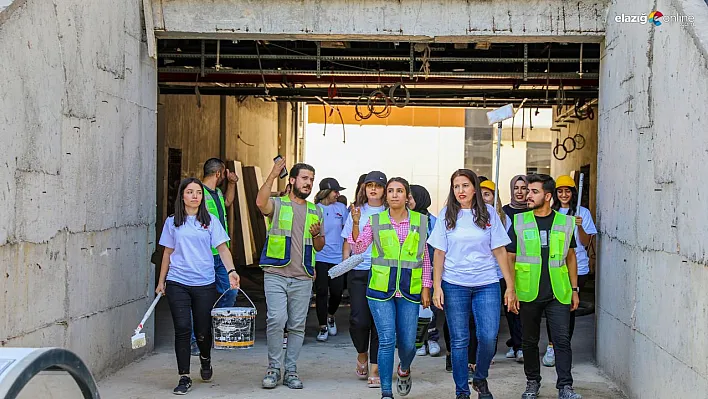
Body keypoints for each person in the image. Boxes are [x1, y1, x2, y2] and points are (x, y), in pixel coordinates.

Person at [430, 169, 518, 399]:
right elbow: (438, 253)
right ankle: (461, 391)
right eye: (456, 186)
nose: (461, 190)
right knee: (459, 340)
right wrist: (437, 286)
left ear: (474, 188)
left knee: (488, 336)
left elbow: (500, 250)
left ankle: (480, 377)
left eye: (465, 185)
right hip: (454, 283)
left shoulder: (488, 213)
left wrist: (510, 286)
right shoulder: (446, 215)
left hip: (486, 282)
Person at [349, 177, 432, 399]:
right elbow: (358, 248)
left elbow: (424, 258)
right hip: (380, 290)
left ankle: (404, 368)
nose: (395, 194)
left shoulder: (420, 221)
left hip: (409, 290)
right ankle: (386, 392)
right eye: (391, 191)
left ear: (407, 197)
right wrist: (356, 222)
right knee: (386, 340)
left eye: (400, 191)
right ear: (386, 196)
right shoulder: (375, 221)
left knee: (408, 344)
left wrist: (426, 287)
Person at [156, 177, 241, 395]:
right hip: (177, 282)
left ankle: (205, 359)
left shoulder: (210, 221)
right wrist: (161, 281)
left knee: (202, 330)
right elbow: (167, 252)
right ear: (182, 196)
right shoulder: (172, 222)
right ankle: (184, 376)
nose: (195, 196)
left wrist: (232, 272)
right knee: (183, 328)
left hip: (204, 283)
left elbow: (222, 249)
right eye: (190, 192)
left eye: (198, 193)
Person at [506, 174, 581, 399]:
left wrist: (575, 289)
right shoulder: (520, 221)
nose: (528, 195)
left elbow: (570, 258)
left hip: (559, 291)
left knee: (561, 341)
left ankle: (565, 387)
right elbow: (509, 257)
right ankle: (532, 383)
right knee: (529, 342)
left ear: (547, 196)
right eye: (528, 191)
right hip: (528, 291)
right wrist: (511, 290)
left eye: (534, 192)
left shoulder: (565, 222)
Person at [255, 159, 325, 390]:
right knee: (276, 320)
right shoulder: (278, 204)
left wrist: (316, 236)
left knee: (297, 325)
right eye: (304, 178)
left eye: (311, 180)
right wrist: (273, 173)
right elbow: (260, 202)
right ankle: (274, 368)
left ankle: (291, 370)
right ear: (292, 180)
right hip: (276, 273)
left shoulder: (316, 210)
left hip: (303, 276)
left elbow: (320, 246)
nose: (308, 183)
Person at [540, 175, 598, 367]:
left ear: (573, 192)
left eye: (567, 191)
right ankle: (551, 345)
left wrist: (578, 226)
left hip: (578, 268)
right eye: (560, 191)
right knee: (553, 308)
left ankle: (562, 347)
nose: (564, 194)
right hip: (554, 267)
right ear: (555, 193)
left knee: (569, 310)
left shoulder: (582, 212)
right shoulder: (551, 212)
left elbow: (586, 241)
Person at [341, 171, 387, 388]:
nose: (373, 189)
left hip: (383, 272)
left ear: (384, 189)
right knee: (359, 320)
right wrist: (344, 267)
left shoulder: (391, 211)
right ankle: (362, 354)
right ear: (364, 188)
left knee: (379, 321)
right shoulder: (356, 211)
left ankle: (376, 367)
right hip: (359, 271)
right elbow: (349, 242)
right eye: (369, 185)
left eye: (377, 185)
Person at [313, 177, 349, 342]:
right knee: (321, 292)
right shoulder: (314, 209)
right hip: (320, 257)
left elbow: (347, 233)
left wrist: (345, 257)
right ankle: (322, 326)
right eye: (335, 191)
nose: (338, 194)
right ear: (326, 192)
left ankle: (330, 315)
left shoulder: (341, 208)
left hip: (338, 258)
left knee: (337, 292)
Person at [408, 185, 441, 358]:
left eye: (411, 197)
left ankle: (432, 338)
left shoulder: (433, 221)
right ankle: (417, 340)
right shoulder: (406, 218)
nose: (408, 200)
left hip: (430, 269)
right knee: (414, 305)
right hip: (411, 270)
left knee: (430, 306)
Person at [500, 175, 528, 361]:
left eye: (523, 188)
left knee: (526, 308)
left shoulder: (534, 211)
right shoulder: (503, 212)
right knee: (511, 308)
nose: (519, 191)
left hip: (527, 267)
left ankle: (521, 343)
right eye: (516, 188)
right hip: (507, 264)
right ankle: (518, 344)